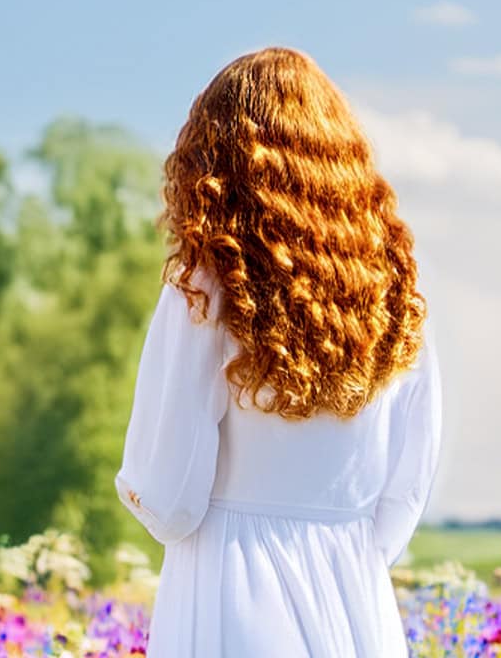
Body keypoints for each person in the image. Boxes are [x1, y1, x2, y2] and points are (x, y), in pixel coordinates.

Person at [117, 46, 442, 657]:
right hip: (357, 596)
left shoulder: (207, 285)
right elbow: (404, 492)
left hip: (231, 586)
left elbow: (168, 498)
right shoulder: (394, 291)